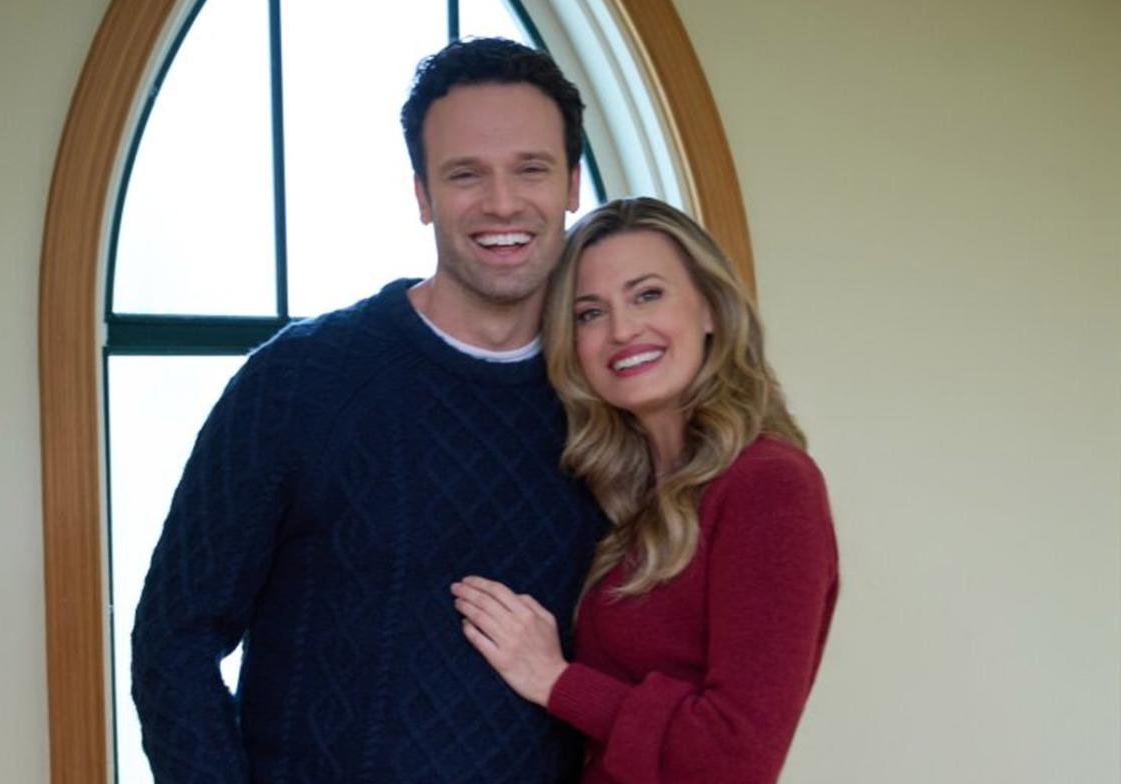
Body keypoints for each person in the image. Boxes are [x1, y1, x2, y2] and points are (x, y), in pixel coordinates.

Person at [131, 38, 605, 783]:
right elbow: (174, 638)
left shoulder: (610, 403)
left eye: (531, 169)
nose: (502, 203)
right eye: (465, 174)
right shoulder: (299, 382)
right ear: (422, 194)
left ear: (572, 184)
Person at [452, 197, 840, 784]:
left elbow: (736, 758)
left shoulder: (770, 484)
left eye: (648, 295)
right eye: (590, 313)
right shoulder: (630, 496)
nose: (622, 330)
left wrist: (555, 680)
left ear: (710, 309)